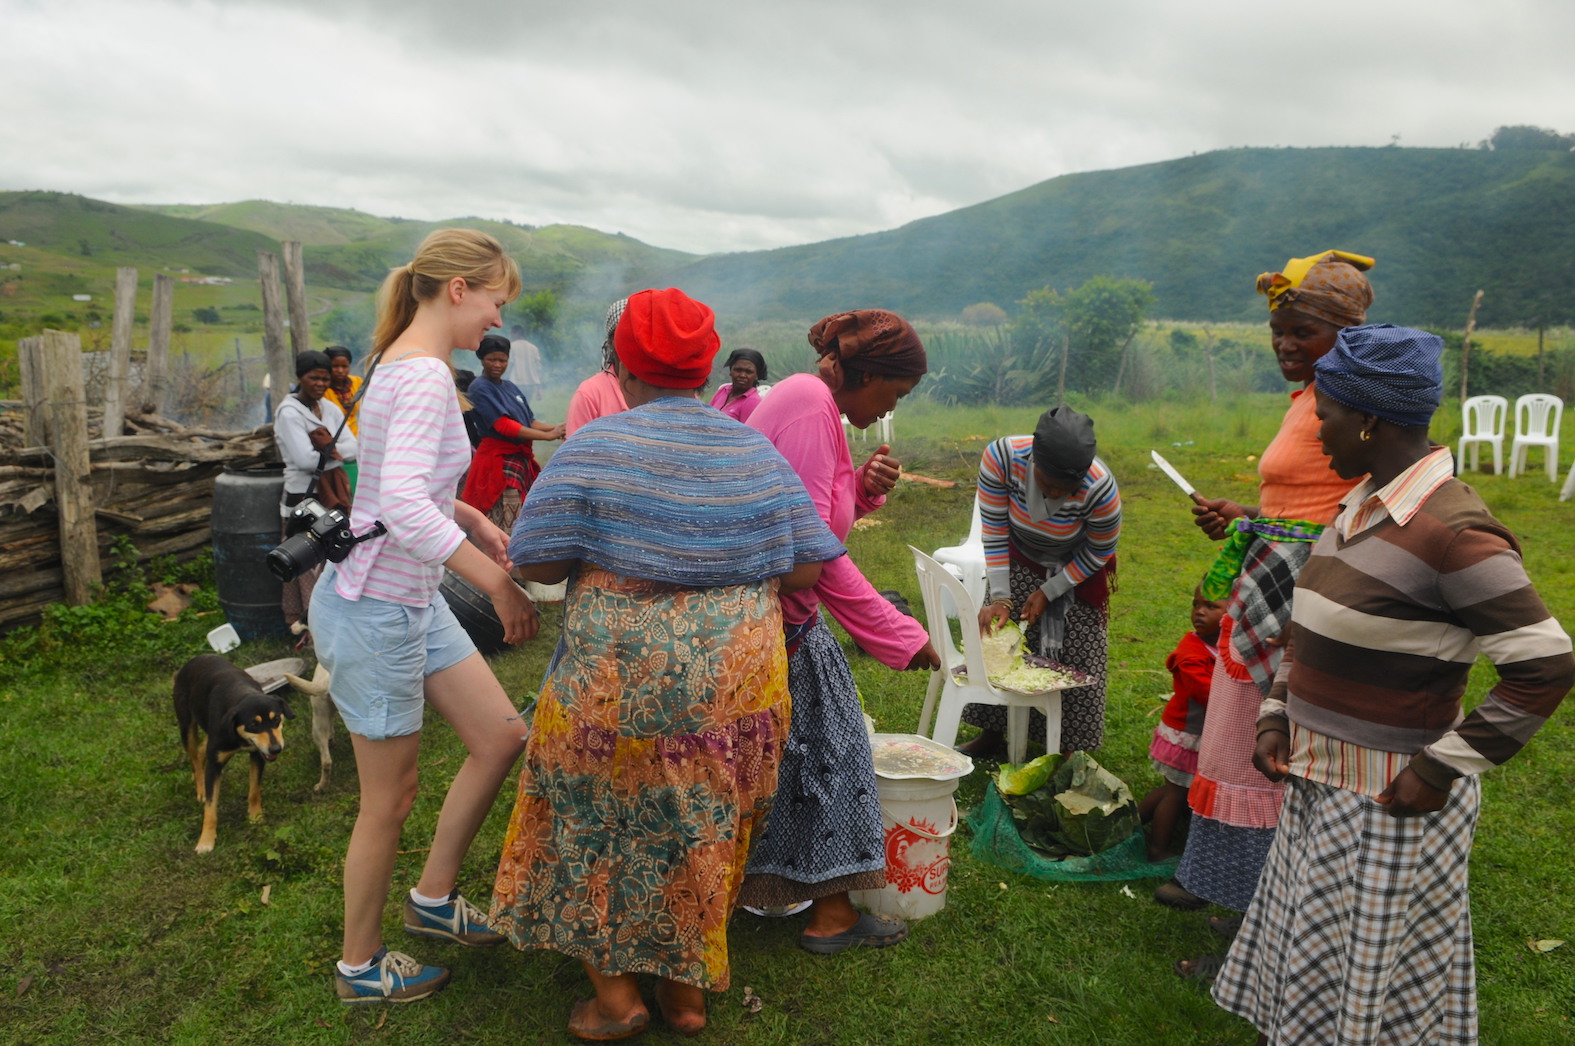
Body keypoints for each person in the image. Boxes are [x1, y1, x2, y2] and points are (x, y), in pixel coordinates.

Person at [489, 287, 843, 1040]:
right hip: (735, 692)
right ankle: (685, 996)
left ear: (618, 361)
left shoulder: (593, 447)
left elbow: (539, 563)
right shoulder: (750, 447)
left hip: (614, 692)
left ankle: (617, 1000)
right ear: (706, 363)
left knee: (589, 823)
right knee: (703, 825)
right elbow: (808, 570)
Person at [1213, 324, 1574, 1044]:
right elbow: (1307, 629)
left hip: (1387, 807)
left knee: (1363, 999)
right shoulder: (1358, 507)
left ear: (1370, 420)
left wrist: (1442, 766)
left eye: (1327, 415)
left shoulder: (1453, 533)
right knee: (1314, 977)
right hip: (1321, 791)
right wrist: (1277, 712)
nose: (1317, 432)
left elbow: (1545, 663)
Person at [308, 228, 538, 1004]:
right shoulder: (424, 375)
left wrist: (469, 514)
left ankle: (433, 901)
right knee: (390, 797)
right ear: (459, 290)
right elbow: (402, 504)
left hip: (407, 594)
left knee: (501, 736)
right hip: (377, 606)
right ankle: (360, 967)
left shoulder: (410, 363)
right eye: (495, 303)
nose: (494, 324)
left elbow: (388, 483)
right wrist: (497, 585)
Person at [1161, 250, 1374, 980]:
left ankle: (1264, 929)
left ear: (1344, 333)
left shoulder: (1354, 403)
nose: (1283, 342)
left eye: (1301, 330)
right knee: (1238, 744)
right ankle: (1240, 896)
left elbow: (1350, 516)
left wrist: (1304, 592)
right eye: (1277, 329)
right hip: (1270, 581)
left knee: (1270, 755)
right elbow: (1300, 503)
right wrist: (1248, 516)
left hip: (1301, 595)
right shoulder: (1308, 398)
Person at [738, 308, 941, 954]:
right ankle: (829, 913)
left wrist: (863, 487)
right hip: (778, 622)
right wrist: (898, 633)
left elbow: (814, 506)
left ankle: (800, 897)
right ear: (871, 373)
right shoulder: (805, 402)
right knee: (830, 755)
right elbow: (808, 549)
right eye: (896, 392)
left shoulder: (816, 408)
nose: (891, 407)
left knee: (812, 758)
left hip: (789, 619)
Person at [959, 406, 1121, 756]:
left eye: (1067, 489)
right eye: (1048, 485)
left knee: (1079, 653)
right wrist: (1002, 597)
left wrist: (1051, 590)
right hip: (1018, 553)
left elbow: (1099, 552)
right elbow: (995, 529)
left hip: (1077, 566)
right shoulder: (1001, 458)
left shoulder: (1101, 491)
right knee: (999, 643)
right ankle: (992, 734)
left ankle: (1069, 749)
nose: (1056, 496)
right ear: (1033, 460)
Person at [1138, 582, 1225, 861]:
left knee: (1172, 789)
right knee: (1175, 794)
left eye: (1210, 606)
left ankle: (1132, 824)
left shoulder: (1224, 644)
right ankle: (1158, 848)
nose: (1199, 612)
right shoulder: (1191, 652)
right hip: (1186, 736)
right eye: (1196, 604)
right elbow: (1205, 692)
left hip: (1195, 733)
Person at [272, 349, 356, 632]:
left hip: (331, 495)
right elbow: (303, 460)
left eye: (324, 379)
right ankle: (311, 630)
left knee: (331, 559)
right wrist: (336, 450)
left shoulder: (330, 409)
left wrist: (324, 446)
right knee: (307, 562)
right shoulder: (288, 412)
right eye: (313, 378)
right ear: (300, 377)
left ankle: (331, 625)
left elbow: (354, 446)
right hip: (303, 497)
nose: (320, 384)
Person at [459, 334, 564, 532]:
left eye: (502, 360)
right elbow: (503, 426)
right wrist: (548, 436)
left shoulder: (510, 387)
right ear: (482, 359)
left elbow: (530, 421)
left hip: (518, 461)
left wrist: (556, 428)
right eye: (492, 360)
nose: (498, 365)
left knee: (520, 516)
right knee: (505, 521)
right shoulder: (479, 387)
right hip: (499, 463)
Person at [564, 298, 629, 437]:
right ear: (611, 341)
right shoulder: (590, 394)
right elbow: (576, 454)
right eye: (626, 334)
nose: (634, 342)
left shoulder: (657, 388)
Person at [322, 345, 362, 492]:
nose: (340, 370)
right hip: (336, 442)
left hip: (356, 439)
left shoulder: (357, 383)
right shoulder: (323, 389)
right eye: (335, 366)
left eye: (344, 366)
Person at [708, 347, 768, 422]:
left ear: (756, 376)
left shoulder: (752, 402)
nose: (742, 375)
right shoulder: (723, 390)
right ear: (731, 371)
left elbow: (747, 432)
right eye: (738, 370)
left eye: (748, 372)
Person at [502, 324, 543, 401]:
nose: (510, 336)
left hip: (516, 383)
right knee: (526, 405)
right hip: (530, 384)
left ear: (516, 334)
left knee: (516, 406)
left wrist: (500, 378)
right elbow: (538, 368)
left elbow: (509, 365)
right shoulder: (533, 348)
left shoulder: (511, 346)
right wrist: (539, 388)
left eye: (511, 333)